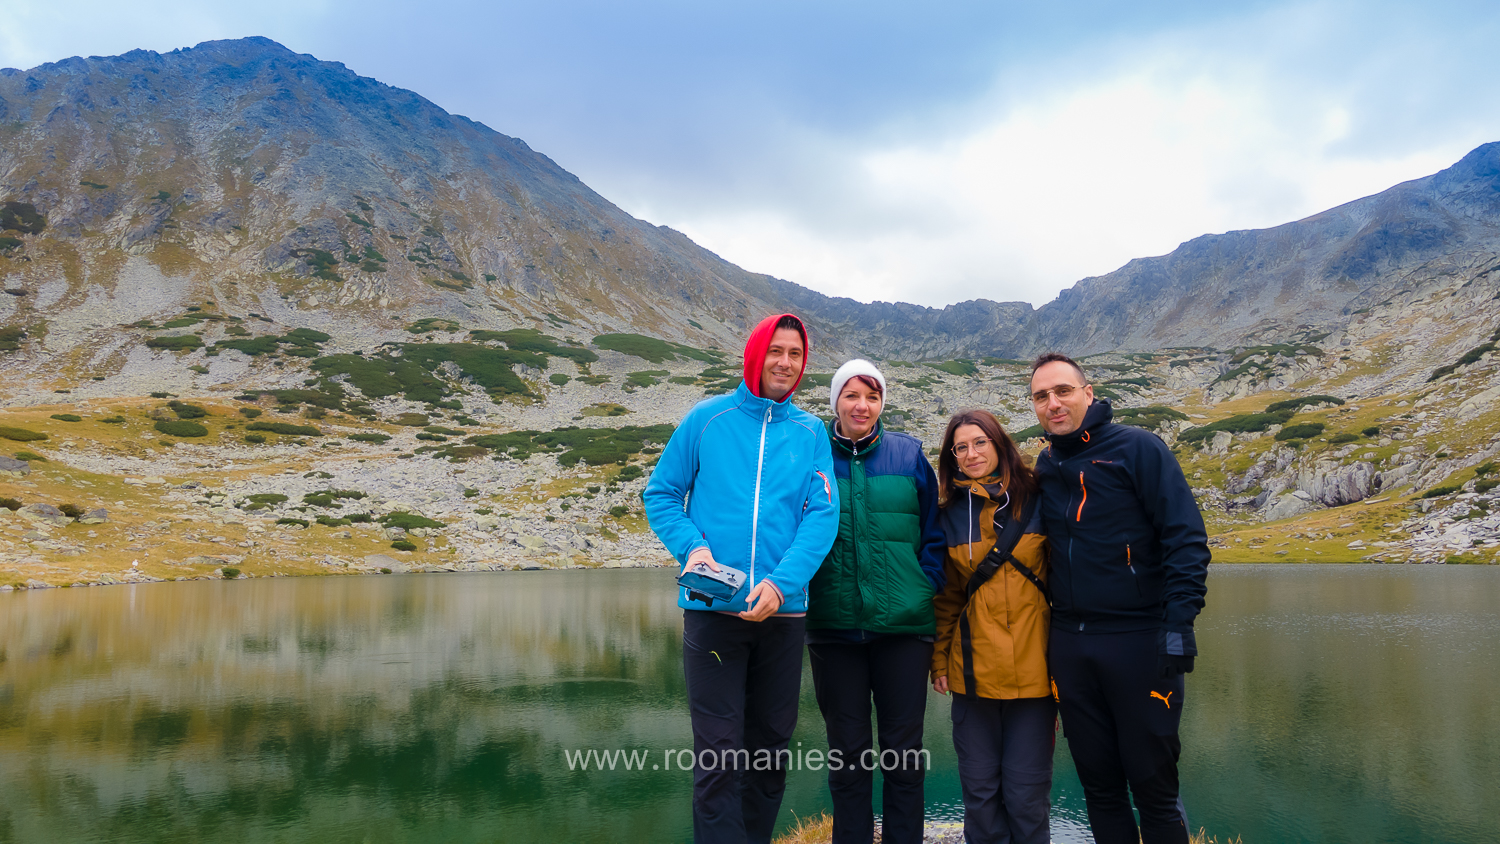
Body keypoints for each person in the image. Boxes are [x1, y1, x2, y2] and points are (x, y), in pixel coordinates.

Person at [643, 313, 839, 844]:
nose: (785, 362)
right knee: (718, 756)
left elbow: (822, 515)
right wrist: (693, 547)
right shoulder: (707, 419)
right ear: (754, 354)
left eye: (795, 354)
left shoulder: (810, 432)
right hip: (713, 614)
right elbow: (661, 494)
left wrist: (780, 584)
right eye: (776, 350)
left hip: (783, 614)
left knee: (770, 753)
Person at [1029, 352, 1210, 844]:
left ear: (1088, 393)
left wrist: (1179, 625)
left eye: (1063, 391)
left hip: (1139, 640)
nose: (1053, 403)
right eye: (1041, 396)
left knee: (1154, 787)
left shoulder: (1138, 448)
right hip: (1070, 646)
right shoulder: (1046, 463)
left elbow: (1186, 539)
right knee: (1100, 788)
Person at [804, 359, 946, 844]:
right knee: (847, 756)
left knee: (903, 754)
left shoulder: (908, 455)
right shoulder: (812, 452)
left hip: (903, 628)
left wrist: (924, 584)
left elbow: (933, 532)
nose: (862, 406)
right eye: (851, 395)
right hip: (832, 626)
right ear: (836, 402)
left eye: (872, 396)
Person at [930, 409, 1055, 844]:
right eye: (960, 448)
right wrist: (939, 661)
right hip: (972, 676)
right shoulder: (949, 513)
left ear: (999, 443)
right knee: (980, 796)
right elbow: (948, 598)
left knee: (1026, 797)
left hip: (1036, 678)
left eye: (979, 442)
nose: (971, 454)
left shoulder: (1038, 497)